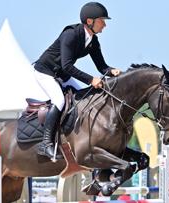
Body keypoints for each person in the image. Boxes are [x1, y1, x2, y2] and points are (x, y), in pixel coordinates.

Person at [34, 2, 122, 159]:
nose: (105, 25)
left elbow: (102, 67)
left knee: (81, 99)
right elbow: (67, 65)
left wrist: (112, 71)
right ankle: (45, 143)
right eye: (102, 20)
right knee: (59, 101)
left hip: (62, 75)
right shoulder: (71, 34)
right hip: (45, 72)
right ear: (90, 21)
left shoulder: (93, 41)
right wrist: (90, 80)